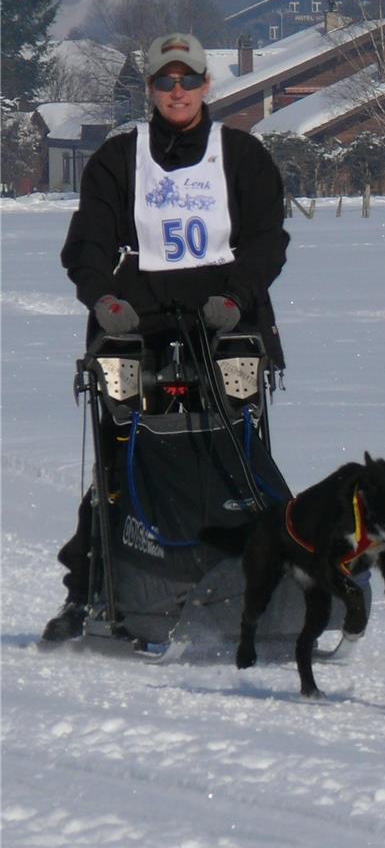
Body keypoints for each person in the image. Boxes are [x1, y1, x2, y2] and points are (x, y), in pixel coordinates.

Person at [42, 32, 289, 641]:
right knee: (121, 463)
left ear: (208, 84)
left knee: (234, 451)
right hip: (137, 325)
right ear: (150, 89)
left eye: (187, 80)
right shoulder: (118, 159)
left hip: (223, 320)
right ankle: (91, 592)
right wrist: (103, 297)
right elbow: (88, 243)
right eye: (164, 81)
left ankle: (261, 583)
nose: (177, 91)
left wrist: (237, 297)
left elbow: (267, 239)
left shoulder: (243, 156)